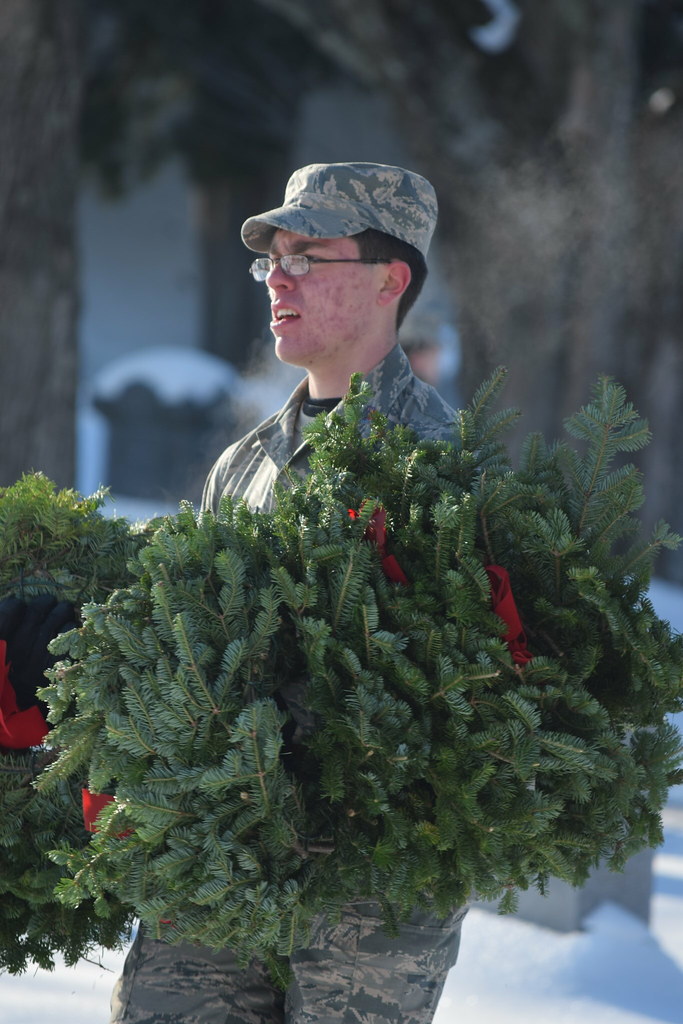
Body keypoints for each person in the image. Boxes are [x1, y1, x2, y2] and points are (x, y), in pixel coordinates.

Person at [110, 162, 468, 1024]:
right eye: (271, 258)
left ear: (390, 280)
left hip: (367, 885)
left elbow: (472, 693)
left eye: (308, 255)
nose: (278, 276)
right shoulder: (247, 462)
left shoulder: (447, 465)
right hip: (219, 862)